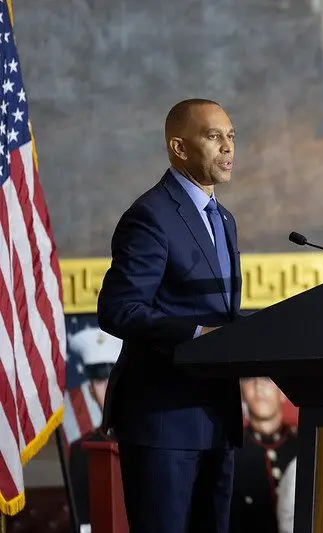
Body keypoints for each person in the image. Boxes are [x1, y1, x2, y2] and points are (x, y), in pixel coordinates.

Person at [96, 98, 243, 533]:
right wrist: (198, 332)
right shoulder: (150, 216)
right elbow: (119, 309)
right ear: (179, 147)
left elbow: (220, 309)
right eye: (214, 136)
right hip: (165, 421)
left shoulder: (225, 219)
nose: (228, 147)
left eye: (231, 136)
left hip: (218, 418)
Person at [66, 326, 123, 529]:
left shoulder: (157, 439)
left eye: (113, 378)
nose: (108, 387)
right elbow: (84, 523)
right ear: (90, 391)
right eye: (99, 380)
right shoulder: (81, 450)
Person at [229, 377, 298, 533]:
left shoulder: (304, 447)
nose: (258, 385)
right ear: (241, 391)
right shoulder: (230, 455)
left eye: (267, 378)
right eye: (249, 378)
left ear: (283, 392)